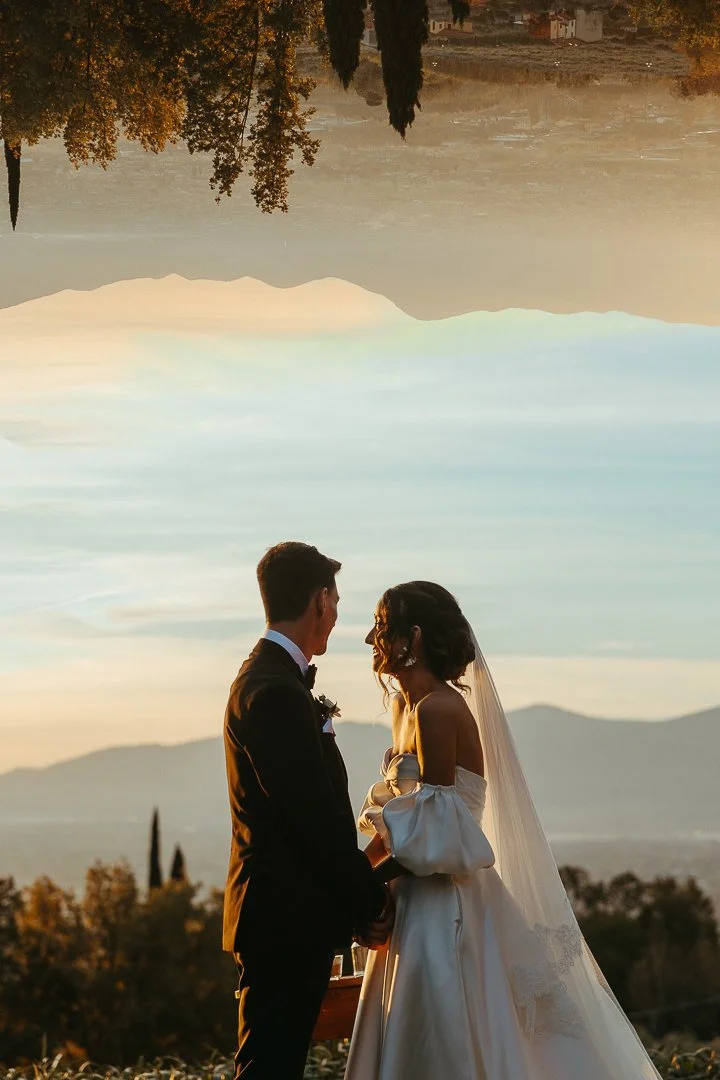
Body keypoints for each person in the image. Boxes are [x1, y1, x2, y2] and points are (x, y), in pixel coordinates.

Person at [345, 580, 663, 1080]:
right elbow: (401, 824)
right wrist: (353, 876)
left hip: (443, 907)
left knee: (445, 1034)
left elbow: (437, 835)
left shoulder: (437, 710)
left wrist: (364, 883)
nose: (370, 639)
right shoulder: (407, 709)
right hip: (412, 900)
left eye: (382, 627)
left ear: (415, 637)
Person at [222, 542, 392, 1080]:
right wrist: (369, 901)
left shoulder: (271, 680)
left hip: (287, 919)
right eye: (336, 601)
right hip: (282, 921)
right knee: (268, 1067)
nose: (337, 617)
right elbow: (313, 821)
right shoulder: (273, 691)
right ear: (320, 599)